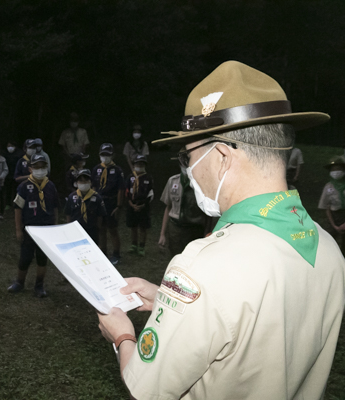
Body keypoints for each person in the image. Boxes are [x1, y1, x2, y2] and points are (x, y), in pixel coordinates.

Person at [97, 61, 345, 399]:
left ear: (222, 157)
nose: (188, 171)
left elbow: (146, 390)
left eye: (188, 157)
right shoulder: (326, 245)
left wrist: (123, 335)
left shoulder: (204, 266)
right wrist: (166, 301)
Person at [8, 153, 59, 298]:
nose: (40, 170)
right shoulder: (24, 187)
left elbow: (55, 206)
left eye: (43, 167)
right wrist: (18, 229)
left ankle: (39, 285)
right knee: (25, 257)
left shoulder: (50, 186)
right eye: (37, 167)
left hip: (46, 228)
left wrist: (55, 225)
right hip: (29, 228)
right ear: (30, 169)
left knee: (42, 258)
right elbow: (18, 208)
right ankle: (19, 282)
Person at [158, 165, 211, 256]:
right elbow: (168, 208)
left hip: (194, 230)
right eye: (183, 161)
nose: (185, 165)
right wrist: (162, 234)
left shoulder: (203, 184)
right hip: (175, 229)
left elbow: (208, 213)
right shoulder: (173, 181)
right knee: (175, 258)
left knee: (192, 260)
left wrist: (207, 233)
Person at [92, 143, 124, 265]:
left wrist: (119, 206)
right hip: (99, 201)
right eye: (103, 154)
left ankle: (116, 253)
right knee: (101, 229)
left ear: (113, 155)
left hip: (111, 202)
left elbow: (121, 189)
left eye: (107, 154)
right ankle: (103, 252)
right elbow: (94, 186)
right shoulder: (96, 169)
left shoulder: (117, 170)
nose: (105, 157)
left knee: (112, 229)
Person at [64, 169, 106, 246]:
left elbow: (100, 215)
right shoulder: (72, 197)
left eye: (86, 180)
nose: (83, 183)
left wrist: (97, 228)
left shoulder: (97, 197)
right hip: (76, 230)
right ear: (76, 183)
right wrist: (69, 228)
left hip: (92, 230)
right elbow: (68, 213)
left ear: (90, 182)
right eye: (80, 181)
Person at [125, 154, 153, 256]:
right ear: (134, 164)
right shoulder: (130, 177)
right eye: (137, 163)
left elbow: (151, 194)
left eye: (142, 164)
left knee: (143, 227)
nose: (139, 166)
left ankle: (142, 246)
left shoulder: (148, 178)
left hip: (144, 206)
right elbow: (127, 192)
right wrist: (132, 205)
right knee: (133, 227)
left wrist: (143, 205)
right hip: (132, 205)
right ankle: (134, 245)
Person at [318, 155, 345, 252]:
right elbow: (327, 207)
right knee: (328, 239)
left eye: (338, 169)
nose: (336, 172)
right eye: (333, 169)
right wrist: (334, 225)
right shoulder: (328, 186)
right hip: (333, 217)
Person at [3, 140, 24, 212]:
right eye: (8, 146)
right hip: (8, 175)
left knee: (17, 190)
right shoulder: (4, 154)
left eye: (11, 146)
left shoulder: (20, 154)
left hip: (17, 175)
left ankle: (17, 204)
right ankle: (8, 204)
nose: (10, 148)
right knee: (8, 190)